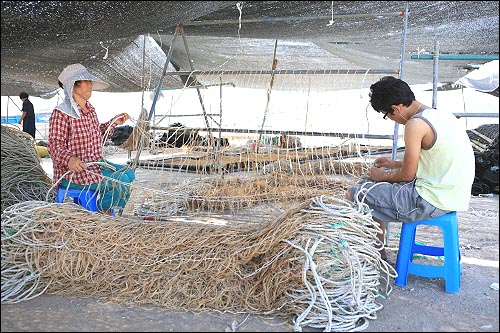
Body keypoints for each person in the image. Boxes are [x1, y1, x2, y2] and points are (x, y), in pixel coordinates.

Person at [346, 76, 475, 259]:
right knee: (372, 186)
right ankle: (377, 249)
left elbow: (407, 175)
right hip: (451, 195)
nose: (391, 119)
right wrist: (393, 165)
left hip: (431, 200)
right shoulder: (439, 115)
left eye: (387, 115)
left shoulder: (415, 125)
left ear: (396, 109)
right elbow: (434, 161)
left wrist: (380, 175)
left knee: (357, 193)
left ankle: (372, 254)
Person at [48, 63, 135, 215]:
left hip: (95, 163)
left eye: (90, 81)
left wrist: (113, 122)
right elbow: (54, 145)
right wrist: (69, 160)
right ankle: (103, 212)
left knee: (129, 174)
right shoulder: (61, 113)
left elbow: (98, 133)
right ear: (73, 86)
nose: (90, 85)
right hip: (75, 172)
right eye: (86, 81)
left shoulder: (90, 110)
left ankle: (104, 209)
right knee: (120, 182)